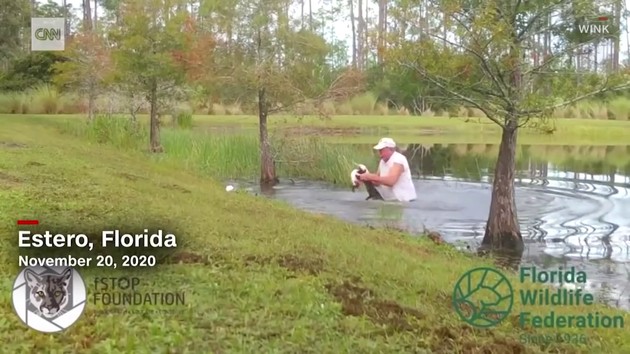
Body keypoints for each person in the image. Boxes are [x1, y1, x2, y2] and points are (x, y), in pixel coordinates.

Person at [357, 137, 417, 202]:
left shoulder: (398, 160)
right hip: (391, 201)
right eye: (379, 150)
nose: (379, 153)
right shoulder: (382, 161)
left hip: (405, 201)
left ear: (391, 149)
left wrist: (370, 177)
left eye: (381, 150)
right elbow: (377, 182)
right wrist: (364, 178)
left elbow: (391, 181)